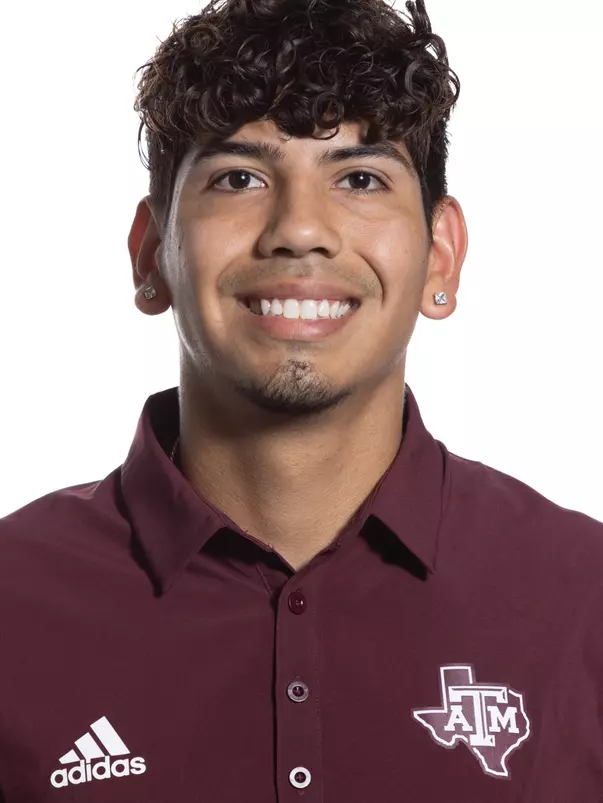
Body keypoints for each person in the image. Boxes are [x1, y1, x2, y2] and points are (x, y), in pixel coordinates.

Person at [1, 0, 602, 800]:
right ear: (151, 256)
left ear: (441, 257)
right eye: (238, 177)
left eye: (359, 177)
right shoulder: (13, 601)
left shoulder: (581, 597)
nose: (299, 230)